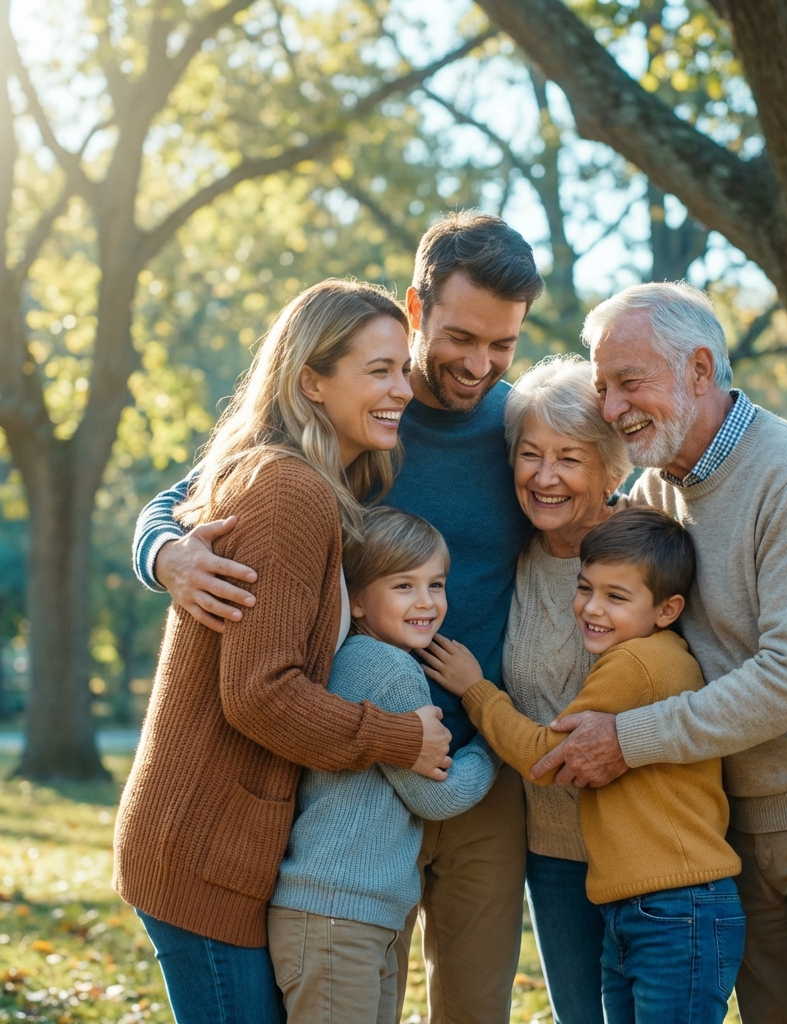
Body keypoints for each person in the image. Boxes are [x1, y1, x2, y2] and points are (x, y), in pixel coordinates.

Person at [131, 213, 542, 1024]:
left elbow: (604, 505)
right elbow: (196, 494)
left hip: (469, 757)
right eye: (462, 337)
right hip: (339, 769)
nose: (479, 364)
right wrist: (164, 553)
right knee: (348, 989)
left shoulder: (516, 423)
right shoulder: (350, 432)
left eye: (503, 345)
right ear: (418, 308)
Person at [533, 281, 787, 1024]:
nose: (613, 408)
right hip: (740, 819)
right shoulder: (655, 495)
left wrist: (628, 740)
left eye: (630, 383)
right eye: (603, 387)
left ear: (699, 370)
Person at [114, 280, 452, 1024]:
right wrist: (399, 737)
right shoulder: (287, 491)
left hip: (222, 844)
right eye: (380, 371)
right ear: (311, 380)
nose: (404, 389)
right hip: (203, 847)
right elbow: (260, 693)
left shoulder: (304, 482)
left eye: (404, 368)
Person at [424, 507, 744, 1024]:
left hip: (674, 907)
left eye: (616, 597)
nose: (591, 608)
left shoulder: (634, 664)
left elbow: (546, 757)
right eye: (585, 588)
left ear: (668, 610)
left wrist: (476, 691)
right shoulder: (649, 655)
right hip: (642, 906)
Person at [268, 507, 500, 1024]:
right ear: (355, 599)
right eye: (403, 586)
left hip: (350, 915)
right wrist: (493, 742)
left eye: (436, 584)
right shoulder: (388, 670)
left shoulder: (355, 658)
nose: (426, 602)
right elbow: (437, 795)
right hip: (336, 917)